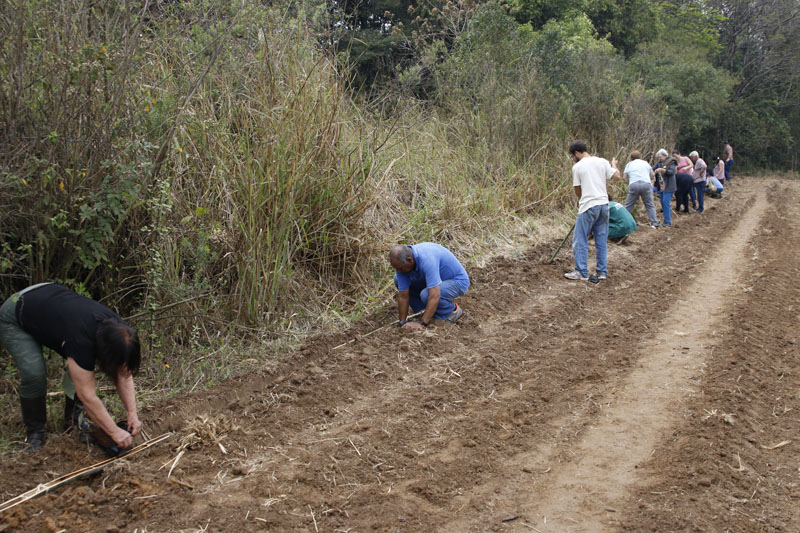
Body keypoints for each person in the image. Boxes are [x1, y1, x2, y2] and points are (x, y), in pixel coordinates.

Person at [0, 283, 141, 452]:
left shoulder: (120, 331)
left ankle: (73, 420)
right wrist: (113, 431)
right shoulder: (82, 340)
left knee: (79, 371)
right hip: (17, 309)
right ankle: (35, 432)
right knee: (34, 373)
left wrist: (132, 412)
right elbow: (87, 395)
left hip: (48, 302)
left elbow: (123, 373)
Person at [564, 140, 620, 281]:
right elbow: (617, 177)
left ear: (577, 153)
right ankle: (602, 272)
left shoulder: (577, 167)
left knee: (580, 238)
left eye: (572, 156)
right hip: (604, 205)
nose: (573, 159)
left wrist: (582, 200)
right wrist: (614, 165)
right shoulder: (602, 161)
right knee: (601, 240)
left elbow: (577, 190)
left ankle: (582, 271)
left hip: (588, 205)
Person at [389, 243, 469, 330]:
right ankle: (425, 310)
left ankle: (451, 311)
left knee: (426, 295)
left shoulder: (427, 258)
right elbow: (403, 296)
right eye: (396, 268)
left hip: (457, 281)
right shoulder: (402, 265)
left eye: (400, 268)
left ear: (409, 260)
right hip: (435, 281)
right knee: (397, 279)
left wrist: (422, 323)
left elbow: (434, 295)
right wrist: (402, 322)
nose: (398, 271)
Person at [622, 150, 659, 228]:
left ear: (631, 157)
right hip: (646, 184)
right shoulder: (645, 163)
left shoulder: (629, 164)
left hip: (634, 184)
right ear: (640, 156)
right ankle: (654, 223)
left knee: (628, 205)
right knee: (649, 205)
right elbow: (652, 174)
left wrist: (629, 183)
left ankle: (623, 222)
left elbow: (624, 177)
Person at [653, 149, 677, 227]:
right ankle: (666, 219)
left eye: (660, 157)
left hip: (669, 186)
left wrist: (663, 170)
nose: (659, 159)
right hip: (661, 186)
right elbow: (652, 168)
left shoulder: (672, 162)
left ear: (664, 155)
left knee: (666, 202)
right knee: (663, 202)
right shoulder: (659, 163)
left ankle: (668, 221)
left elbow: (672, 172)